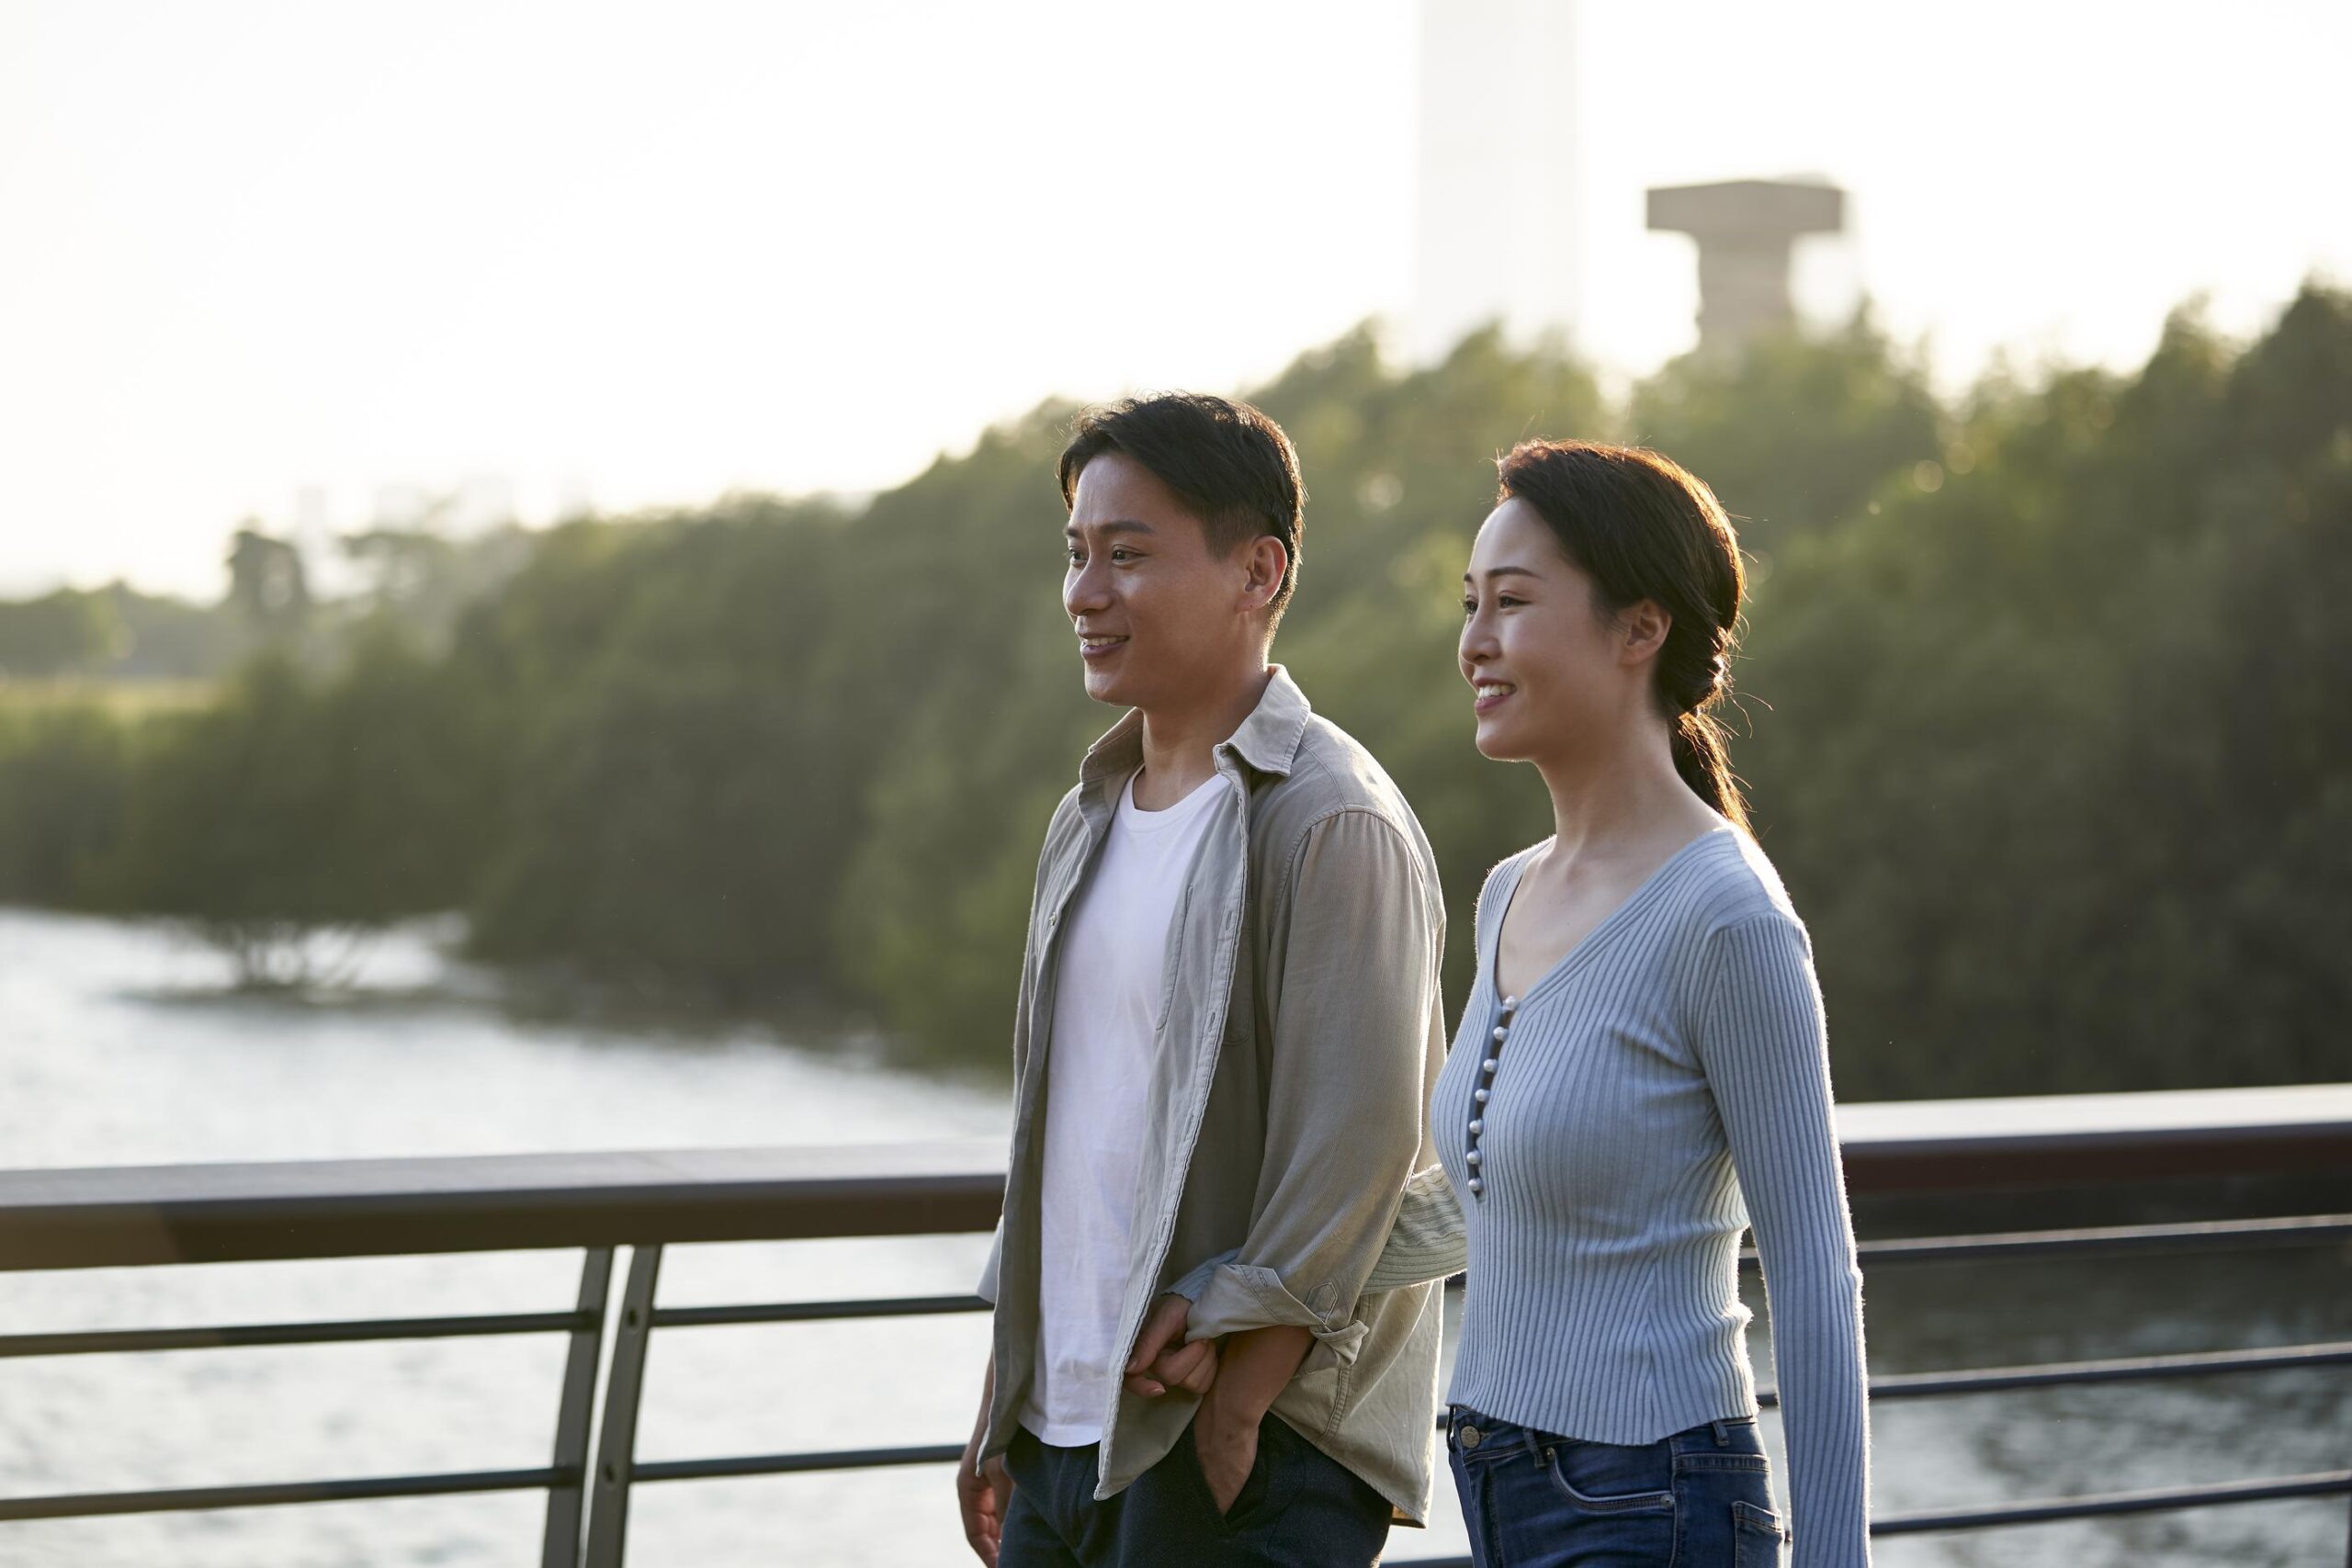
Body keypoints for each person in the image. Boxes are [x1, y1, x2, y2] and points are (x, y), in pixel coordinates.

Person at [1156, 439, 1872, 1566]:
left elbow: (1815, 1276)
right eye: (1469, 604)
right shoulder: (1506, 896)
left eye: (1514, 603)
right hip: (1498, 1479)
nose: (1474, 643)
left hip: (1656, 1497)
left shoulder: (1726, 919)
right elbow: (1482, 1204)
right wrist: (1231, 1298)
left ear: (1641, 630)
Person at [956, 392, 1450, 1567]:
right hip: (1058, 1436)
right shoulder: (1083, 819)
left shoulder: (1331, 822)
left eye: (1127, 557)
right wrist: (1003, 1401)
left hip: (1237, 1451)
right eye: (1076, 556)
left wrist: (1235, 1399)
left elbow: (1366, 1154)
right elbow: (1065, 1145)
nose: (1084, 592)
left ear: (1258, 573)